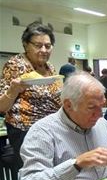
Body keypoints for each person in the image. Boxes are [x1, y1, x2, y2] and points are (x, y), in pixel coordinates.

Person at [0, 21, 61, 169]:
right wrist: (13, 90)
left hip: (51, 129)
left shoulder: (49, 67)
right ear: (26, 45)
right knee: (37, 175)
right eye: (38, 45)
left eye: (48, 45)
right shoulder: (15, 65)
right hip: (25, 131)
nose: (44, 50)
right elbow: (2, 107)